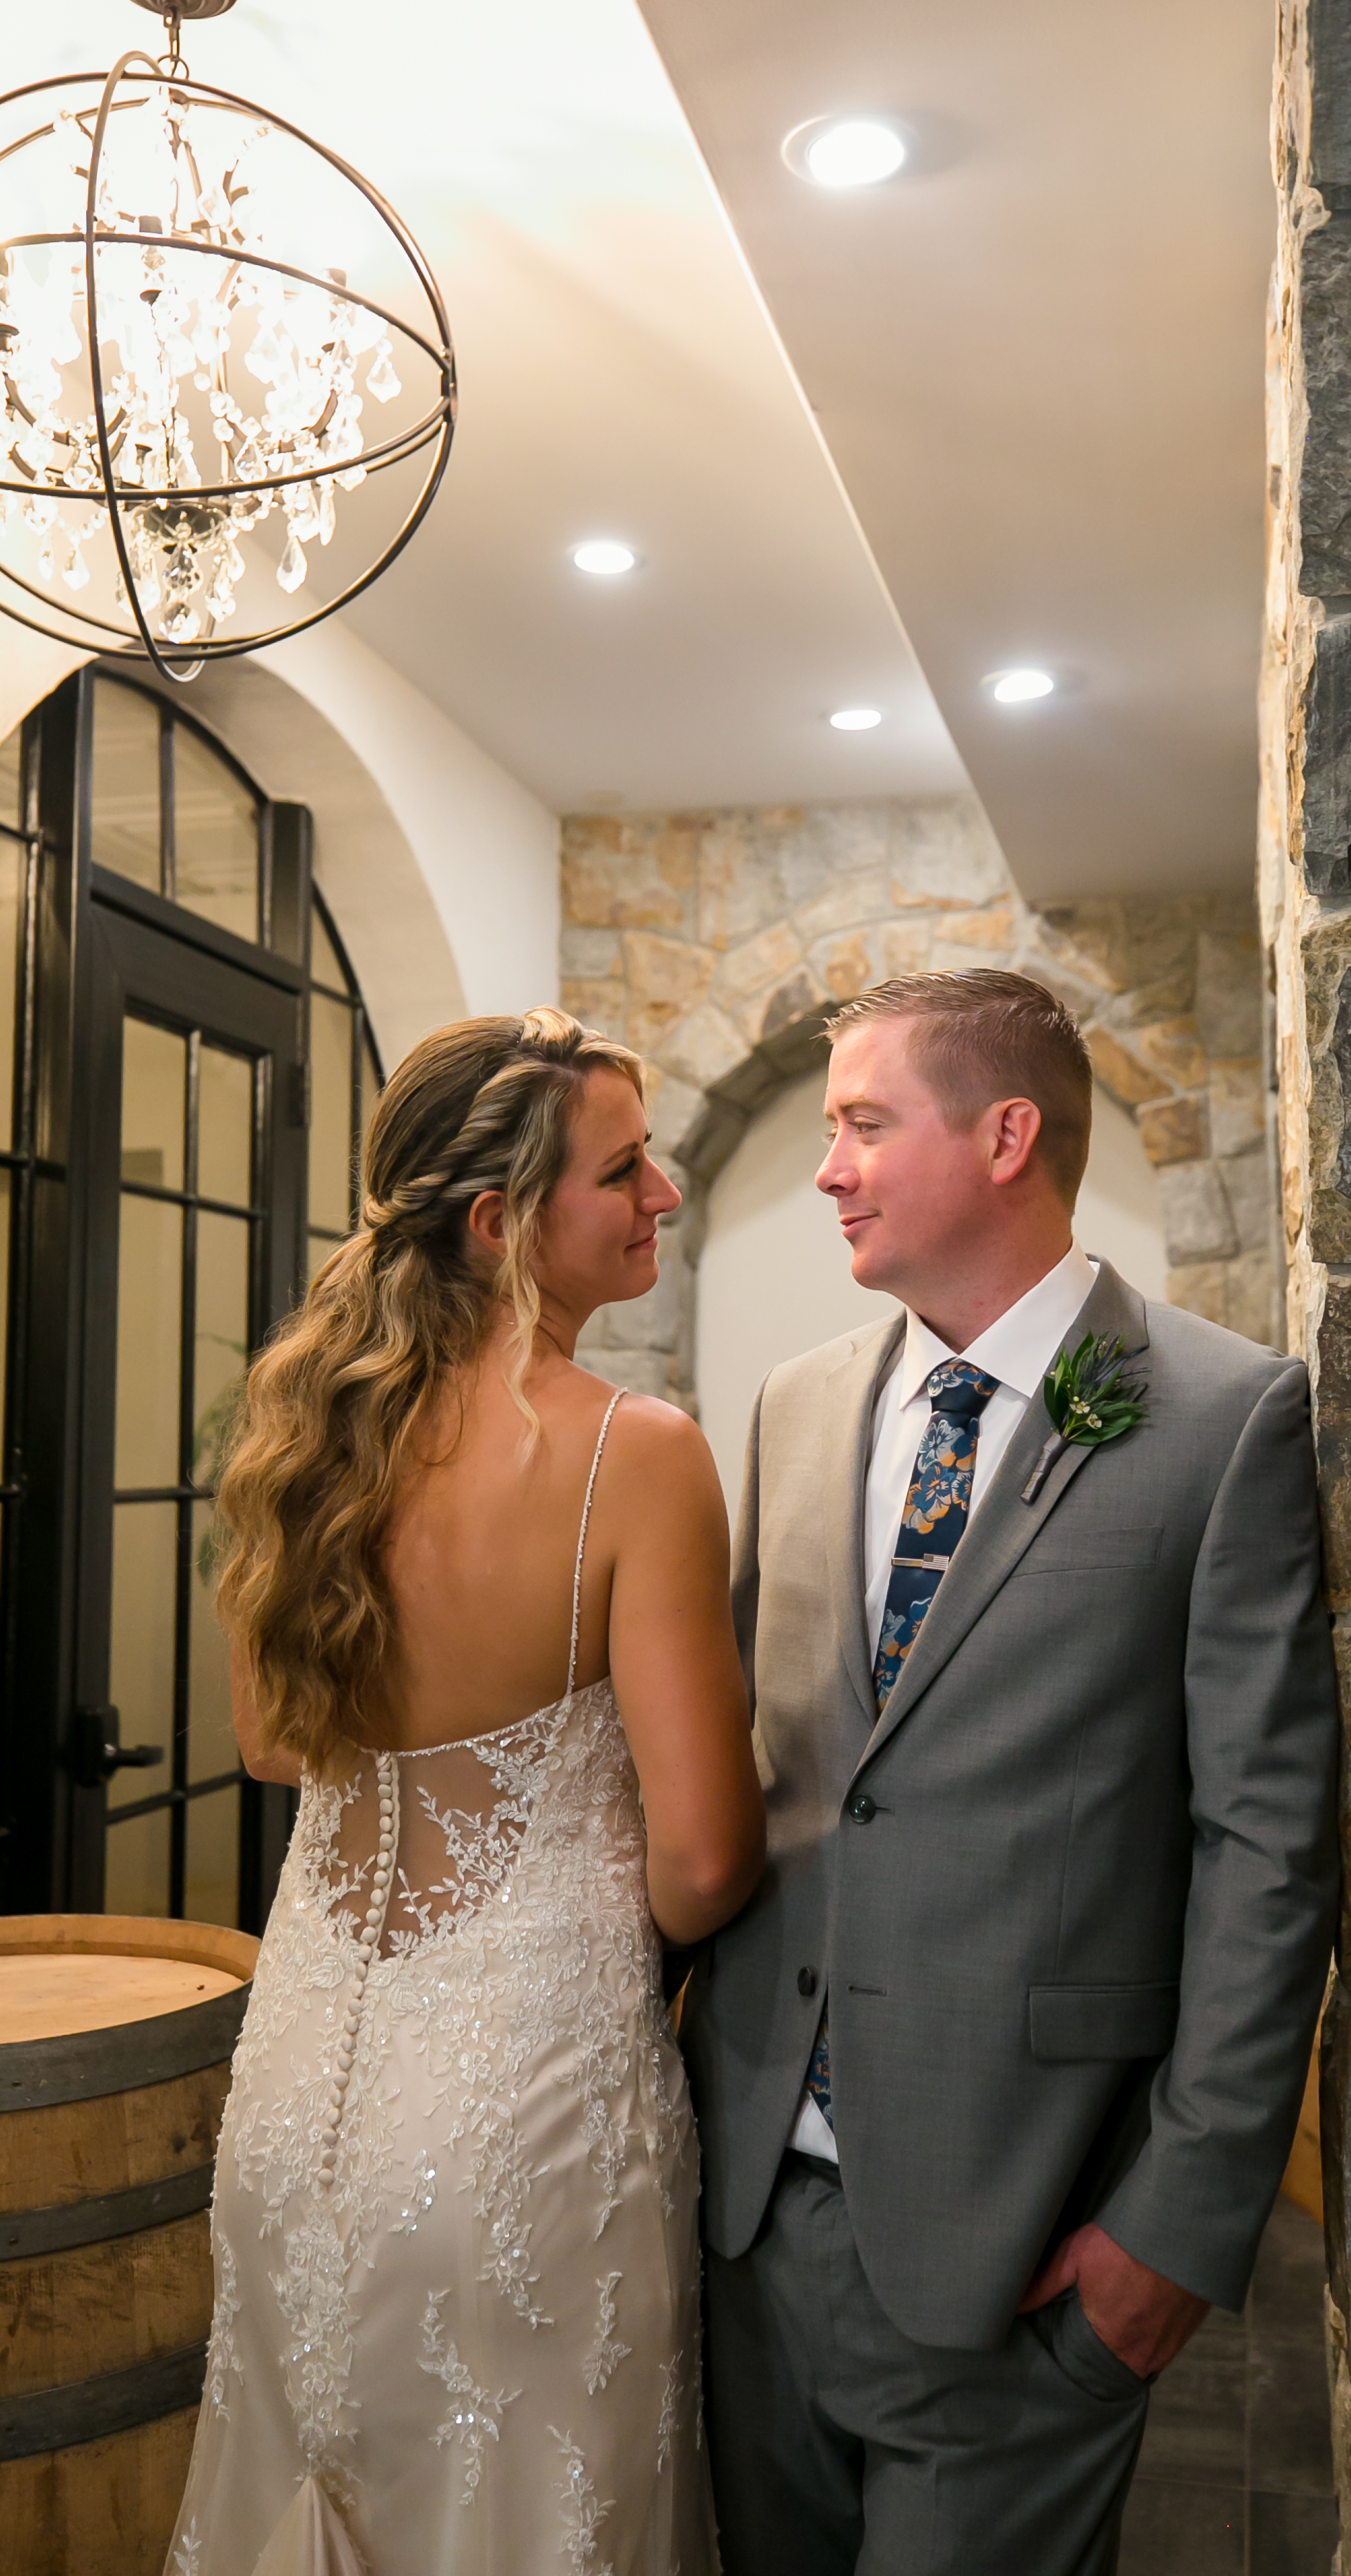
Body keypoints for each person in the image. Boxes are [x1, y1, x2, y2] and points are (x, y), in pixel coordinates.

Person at [681, 967, 1341, 2576]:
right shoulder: (796, 1407)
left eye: (863, 1123)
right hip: (754, 2218)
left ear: (1005, 1137)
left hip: (1030, 2236)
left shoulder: (1222, 1418)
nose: (828, 1168)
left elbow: (1265, 1845)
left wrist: (1177, 2224)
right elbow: (774, 1772)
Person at [166, 1008, 764, 2576]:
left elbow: (273, 1744)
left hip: (299, 2103)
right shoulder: (637, 1454)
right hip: (528, 2127)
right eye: (624, 1170)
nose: (665, 1192)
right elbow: (707, 1859)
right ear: (500, 1223)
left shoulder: (305, 1431)